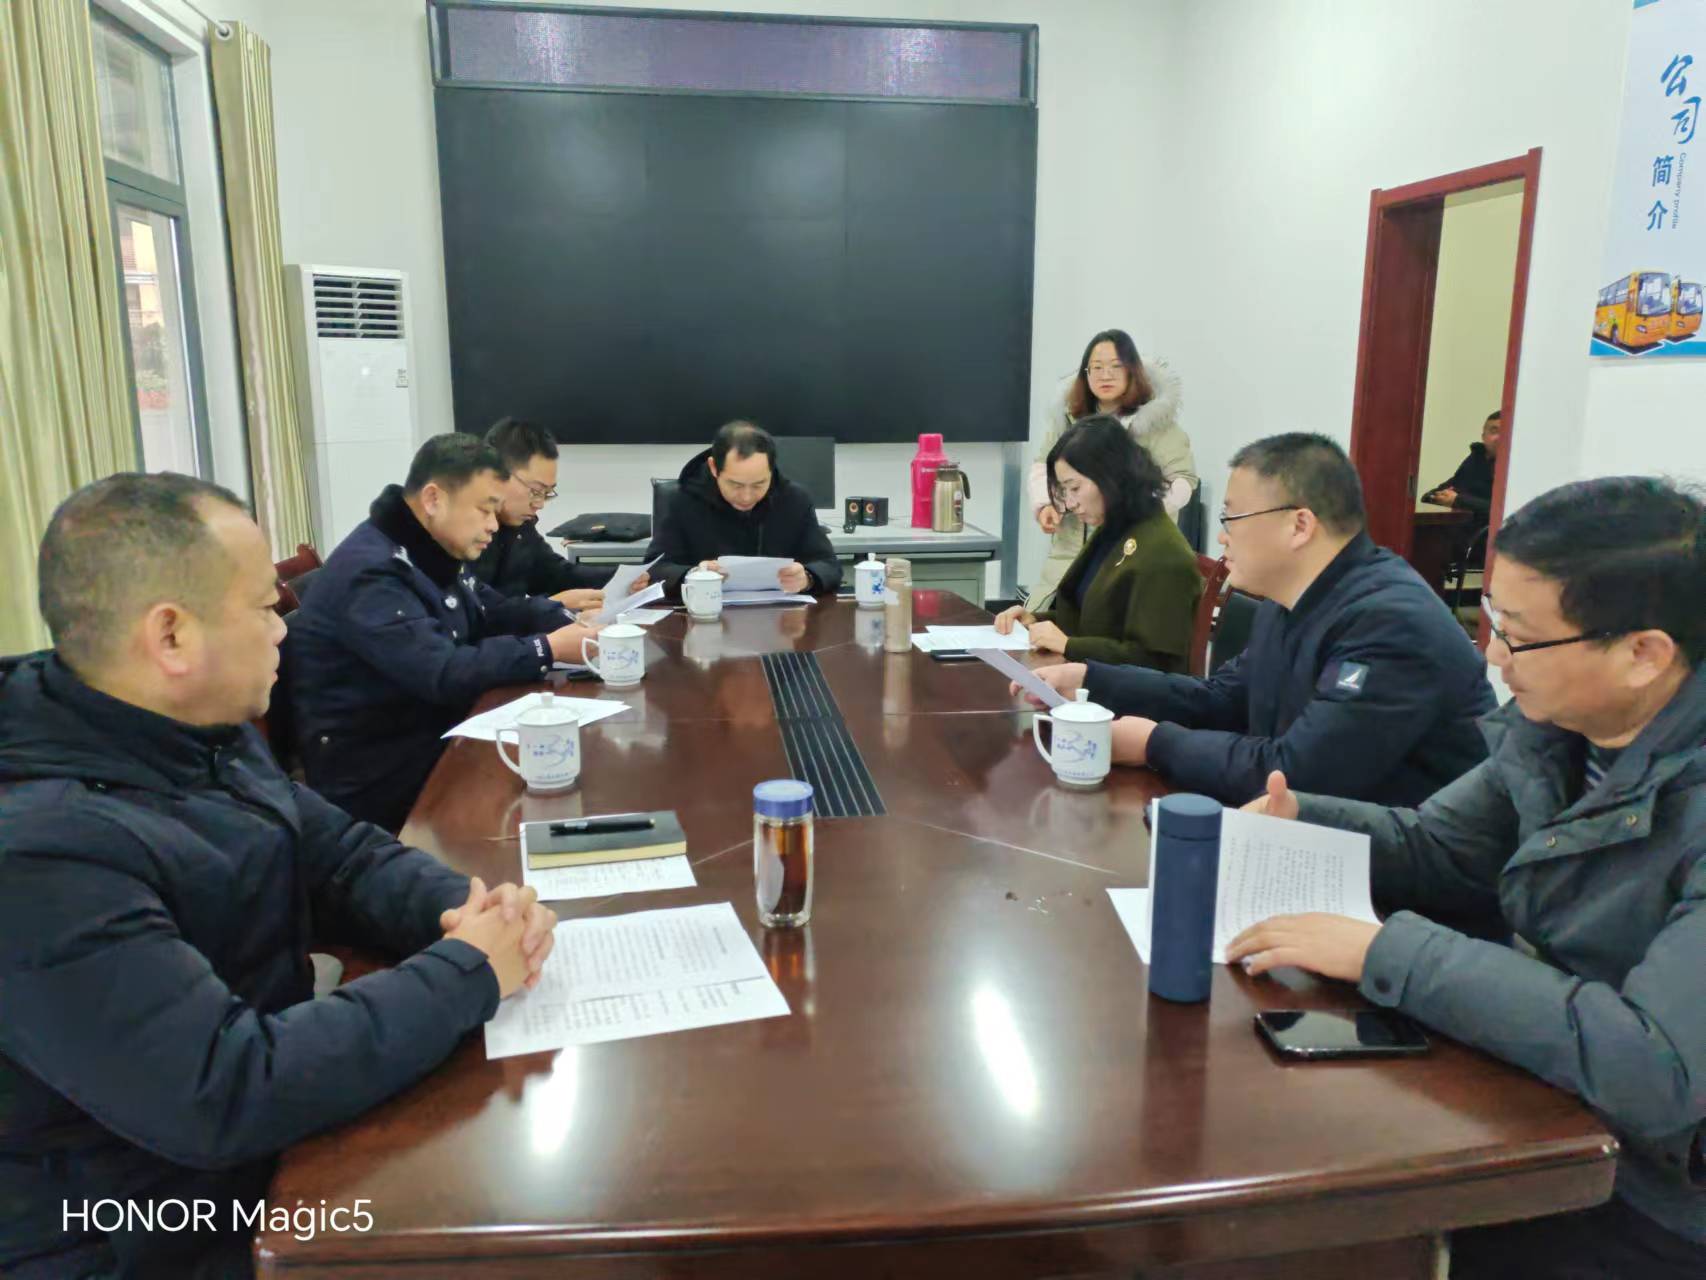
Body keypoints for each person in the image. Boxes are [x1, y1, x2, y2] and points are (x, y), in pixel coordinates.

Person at [0, 473, 557, 1279]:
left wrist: (468, 911)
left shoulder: (189, 728)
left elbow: (339, 856)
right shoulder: (39, 852)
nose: (283, 632)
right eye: (266, 608)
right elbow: (223, 1090)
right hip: (136, 1228)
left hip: (260, 1151)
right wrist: (466, 971)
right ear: (171, 637)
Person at [1226, 476, 1706, 1280]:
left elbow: (1658, 1069)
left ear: (1643, 654)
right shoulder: (1556, 730)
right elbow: (1444, 846)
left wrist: (1386, 952)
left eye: (1520, 638)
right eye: (1492, 621)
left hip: (1654, 1195)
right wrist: (1303, 817)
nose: (1493, 657)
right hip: (1543, 1099)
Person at [1022, 433, 1495, 806]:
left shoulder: (1390, 623)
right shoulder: (1289, 599)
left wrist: (1154, 744)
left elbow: (1298, 772)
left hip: (1395, 881)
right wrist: (1091, 677)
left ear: (1299, 525)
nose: (1222, 538)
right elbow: (1220, 698)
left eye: (1232, 518)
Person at [290, 433, 600, 831]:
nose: (493, 526)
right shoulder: (372, 573)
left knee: (568, 763)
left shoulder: (429, 550)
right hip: (381, 777)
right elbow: (442, 672)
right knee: (555, 788)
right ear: (434, 499)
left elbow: (491, 610)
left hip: (431, 737)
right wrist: (546, 648)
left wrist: (561, 617)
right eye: (484, 510)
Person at [993, 416, 1202, 669]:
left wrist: (1069, 646)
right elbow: (1091, 620)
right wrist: (1035, 621)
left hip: (1121, 692)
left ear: (1110, 476)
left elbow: (1155, 661)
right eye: (1064, 491)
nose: (1070, 504)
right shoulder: (1114, 530)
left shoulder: (1164, 553)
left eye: (1075, 488)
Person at [1025, 329, 1196, 611]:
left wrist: (1132, 510)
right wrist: (1045, 504)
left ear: (1133, 371)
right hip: (1068, 556)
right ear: (1085, 373)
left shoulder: (1157, 423)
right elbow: (1043, 466)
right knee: (1038, 621)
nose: (1106, 376)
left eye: (1116, 367)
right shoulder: (1068, 420)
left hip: (1130, 554)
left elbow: (1182, 482)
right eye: (1097, 367)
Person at [646, 420, 842, 596]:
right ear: (714, 468)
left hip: (780, 616)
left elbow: (829, 565)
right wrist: (694, 575)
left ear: (771, 470)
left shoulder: (795, 500)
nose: (747, 497)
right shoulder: (683, 501)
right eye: (735, 485)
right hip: (704, 613)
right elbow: (654, 570)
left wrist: (808, 577)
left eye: (759, 484)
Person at [469, 417, 645, 610]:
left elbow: (555, 574)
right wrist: (551, 606)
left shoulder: (520, 527)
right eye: (536, 491)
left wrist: (624, 578)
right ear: (496, 474)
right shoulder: (465, 532)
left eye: (547, 493)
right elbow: (479, 610)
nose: (539, 504)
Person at [1423, 408, 1501, 523]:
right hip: (1459, 526)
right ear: (1483, 436)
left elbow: (1503, 510)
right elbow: (1431, 495)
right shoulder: (1476, 458)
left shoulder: (1514, 467)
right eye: (1494, 431)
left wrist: (1458, 500)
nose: (1499, 437)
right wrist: (1435, 497)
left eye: (1505, 432)